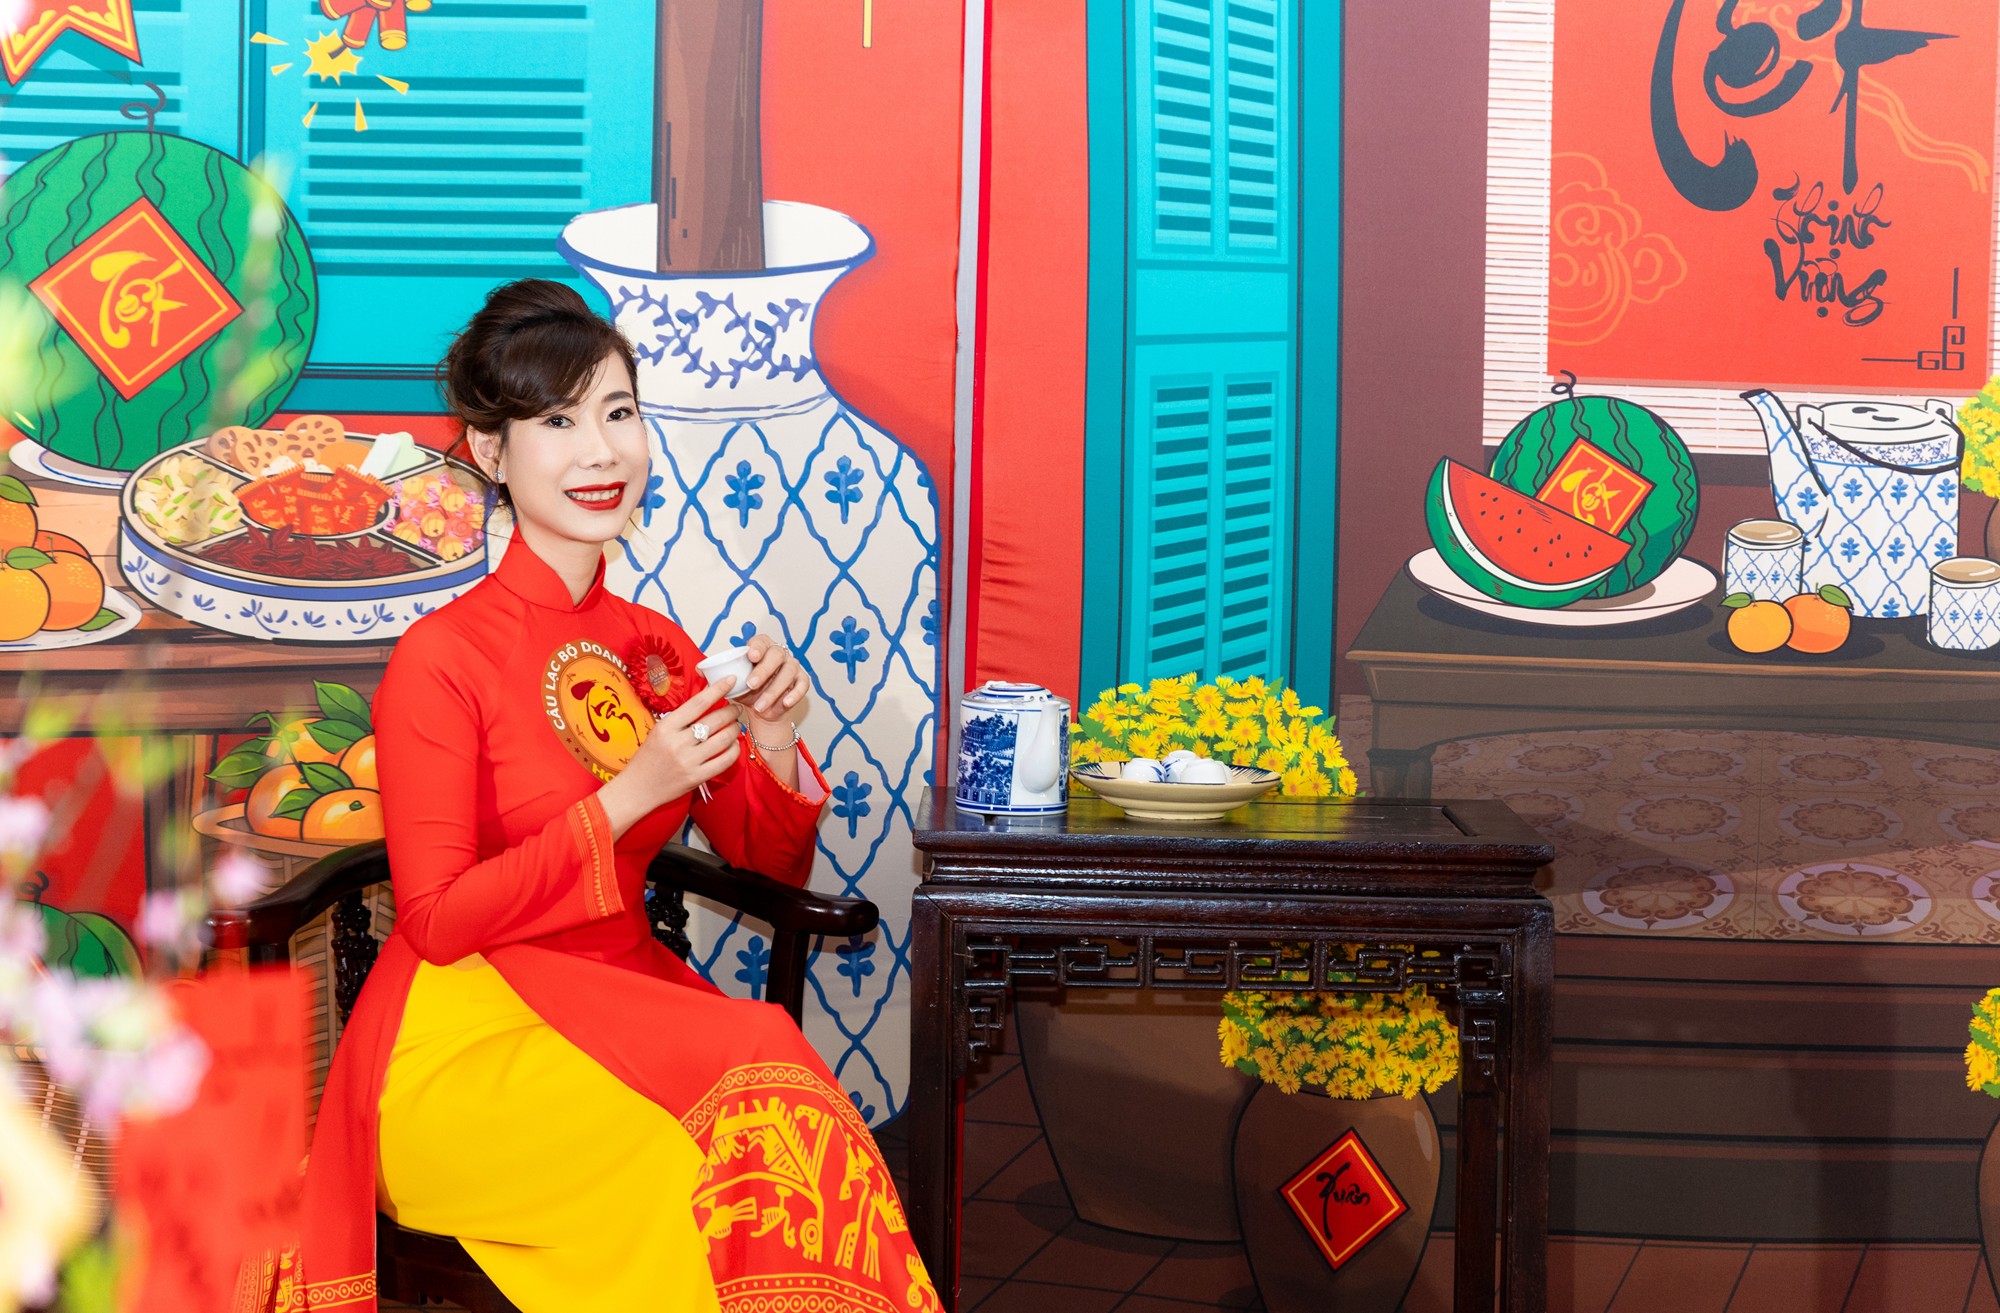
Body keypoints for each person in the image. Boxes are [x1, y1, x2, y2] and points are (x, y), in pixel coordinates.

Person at [275, 281, 940, 1312]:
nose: (601, 452)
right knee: (683, 1175)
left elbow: (769, 864)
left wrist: (770, 735)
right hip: (464, 1037)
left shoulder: (654, 646)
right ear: (490, 451)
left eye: (618, 412)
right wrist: (629, 796)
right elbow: (438, 921)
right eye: (557, 421)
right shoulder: (441, 659)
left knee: (778, 1123)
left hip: (626, 1001)